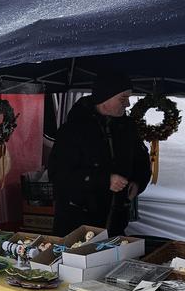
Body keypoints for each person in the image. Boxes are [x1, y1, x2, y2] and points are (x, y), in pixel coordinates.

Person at [48, 71, 151, 236]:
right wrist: (104, 180)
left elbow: (142, 162)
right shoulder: (73, 130)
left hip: (115, 226)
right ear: (105, 99)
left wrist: (138, 182)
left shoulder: (128, 128)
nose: (128, 104)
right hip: (76, 229)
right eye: (123, 98)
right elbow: (59, 175)